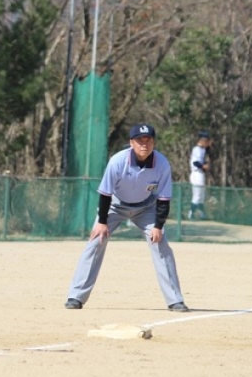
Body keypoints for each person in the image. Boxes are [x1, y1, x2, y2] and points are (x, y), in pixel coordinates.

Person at [64, 123, 188, 312]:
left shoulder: (162, 164)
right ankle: (76, 296)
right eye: (139, 140)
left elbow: (164, 199)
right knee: (96, 240)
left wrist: (158, 226)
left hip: (146, 208)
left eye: (148, 140)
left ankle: (175, 300)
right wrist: (102, 222)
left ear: (153, 143)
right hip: (115, 205)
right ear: (131, 143)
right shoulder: (118, 161)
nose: (144, 144)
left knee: (160, 244)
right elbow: (105, 193)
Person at [188, 129, 212, 220]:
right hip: (196, 174)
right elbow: (195, 163)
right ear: (203, 141)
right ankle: (191, 213)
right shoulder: (197, 149)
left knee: (201, 196)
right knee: (197, 195)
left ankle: (202, 214)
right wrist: (203, 166)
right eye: (207, 141)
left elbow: (207, 151)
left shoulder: (202, 149)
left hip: (200, 174)